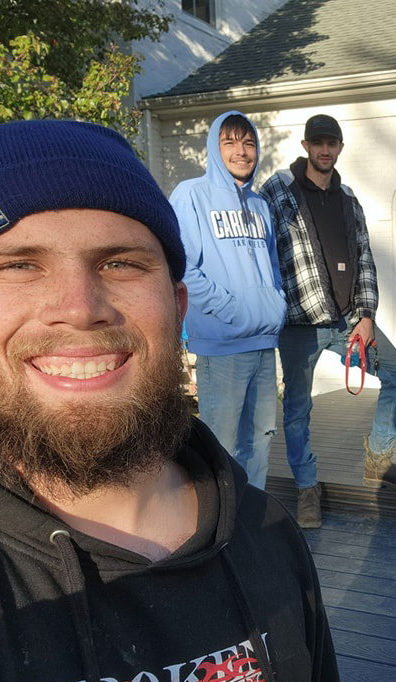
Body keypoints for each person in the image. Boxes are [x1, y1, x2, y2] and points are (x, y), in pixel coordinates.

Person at [0, 119, 344, 682]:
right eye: (20, 265)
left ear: (176, 308)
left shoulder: (270, 538)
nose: (79, 308)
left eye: (120, 263)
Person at [260, 114, 396, 529]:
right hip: (299, 325)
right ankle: (307, 488)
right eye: (318, 142)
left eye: (332, 142)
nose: (325, 149)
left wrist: (366, 315)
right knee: (297, 409)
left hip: (348, 321)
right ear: (305, 146)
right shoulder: (279, 190)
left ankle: (379, 461)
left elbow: (365, 258)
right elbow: (258, 252)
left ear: (339, 147)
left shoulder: (348, 197)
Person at [169, 110, 286, 491]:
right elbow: (182, 267)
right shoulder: (192, 194)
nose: (241, 151)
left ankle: (252, 524)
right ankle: (223, 534)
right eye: (230, 142)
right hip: (222, 347)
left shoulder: (261, 206)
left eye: (249, 143)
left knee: (262, 439)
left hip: (263, 343)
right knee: (224, 448)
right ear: (215, 148)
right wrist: (231, 310)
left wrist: (275, 304)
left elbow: (272, 265)